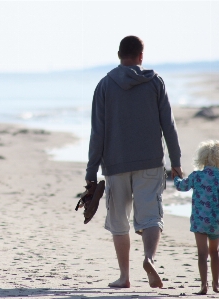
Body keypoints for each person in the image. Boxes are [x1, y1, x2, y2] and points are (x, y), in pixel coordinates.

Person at [85, 36, 182, 289]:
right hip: (150, 162)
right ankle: (149, 258)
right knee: (150, 217)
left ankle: (124, 276)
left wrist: (91, 171)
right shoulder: (155, 82)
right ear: (141, 56)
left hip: (115, 165)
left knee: (119, 221)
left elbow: (98, 132)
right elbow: (168, 125)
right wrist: (176, 161)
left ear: (119, 54)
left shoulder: (105, 85)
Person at [174, 140, 219, 295]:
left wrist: (176, 177)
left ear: (202, 158)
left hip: (199, 220)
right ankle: (216, 284)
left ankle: (203, 286)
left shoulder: (197, 176)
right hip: (215, 222)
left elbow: (182, 186)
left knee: (202, 253)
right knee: (215, 253)